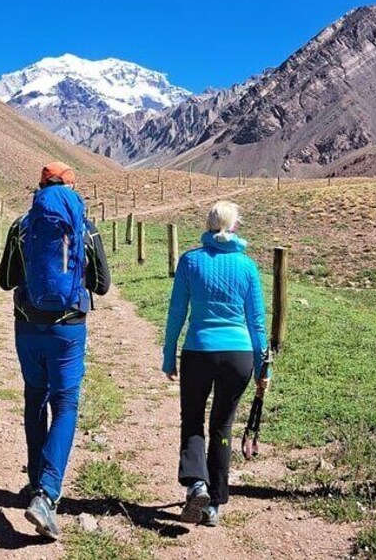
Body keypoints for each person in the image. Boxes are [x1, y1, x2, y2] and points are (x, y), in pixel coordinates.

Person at [0, 161, 111, 540]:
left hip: (27, 326)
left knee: (35, 398)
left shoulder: (21, 225)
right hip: (68, 329)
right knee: (65, 404)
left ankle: (36, 483)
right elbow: (102, 284)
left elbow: (5, 280)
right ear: (73, 188)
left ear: (40, 186)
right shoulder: (84, 225)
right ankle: (47, 493)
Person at [162, 201, 270, 527]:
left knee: (192, 419)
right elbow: (257, 323)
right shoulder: (248, 267)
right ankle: (214, 506)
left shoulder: (190, 261)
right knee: (222, 426)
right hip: (239, 356)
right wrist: (263, 368)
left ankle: (196, 483)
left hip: (199, 351)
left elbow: (176, 314)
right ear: (235, 226)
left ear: (209, 225)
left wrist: (169, 355)